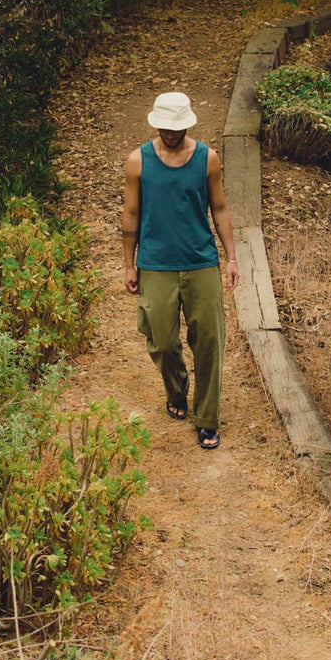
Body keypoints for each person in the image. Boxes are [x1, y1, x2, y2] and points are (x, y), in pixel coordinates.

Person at [122, 91, 240, 449]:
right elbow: (131, 215)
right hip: (155, 263)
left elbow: (219, 208)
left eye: (176, 128)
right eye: (164, 128)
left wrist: (231, 257)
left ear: (188, 124)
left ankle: (207, 418)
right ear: (155, 123)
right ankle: (177, 390)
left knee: (208, 341)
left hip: (200, 262)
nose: (170, 134)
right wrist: (128, 263)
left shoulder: (208, 159)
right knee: (161, 340)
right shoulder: (137, 161)